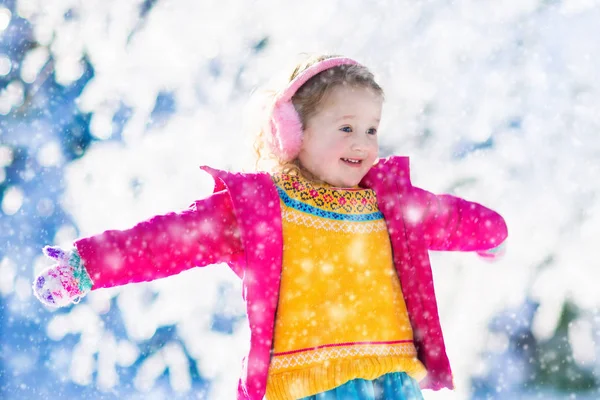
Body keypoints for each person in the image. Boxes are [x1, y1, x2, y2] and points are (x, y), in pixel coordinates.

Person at [33, 54, 508, 400]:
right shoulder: (260, 212)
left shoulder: (389, 204)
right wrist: (86, 265)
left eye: (371, 129)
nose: (363, 144)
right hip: (302, 388)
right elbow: (169, 240)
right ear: (292, 133)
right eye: (346, 128)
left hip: (392, 385)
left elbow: (455, 218)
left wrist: (492, 235)